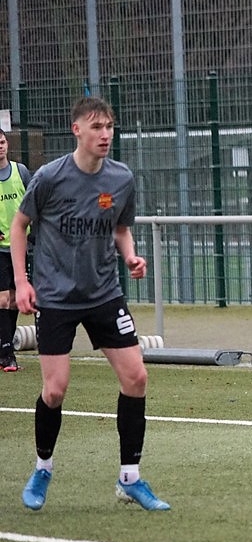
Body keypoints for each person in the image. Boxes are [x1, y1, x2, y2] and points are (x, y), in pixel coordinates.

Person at [13, 96, 170, 511]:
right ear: (76, 130)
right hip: (57, 298)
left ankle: (130, 478)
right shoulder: (49, 177)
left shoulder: (120, 178)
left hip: (103, 294)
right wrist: (21, 281)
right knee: (55, 389)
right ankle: (43, 467)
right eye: (96, 126)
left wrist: (131, 255)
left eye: (110, 127)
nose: (105, 134)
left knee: (136, 377)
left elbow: (120, 227)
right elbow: (19, 225)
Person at [0, 129, 31, 372]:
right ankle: (7, 353)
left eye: (1, 142)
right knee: (2, 299)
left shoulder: (21, 173)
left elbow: (33, 203)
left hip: (20, 247)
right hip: (0, 248)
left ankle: (5, 346)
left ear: (7, 144)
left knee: (13, 300)